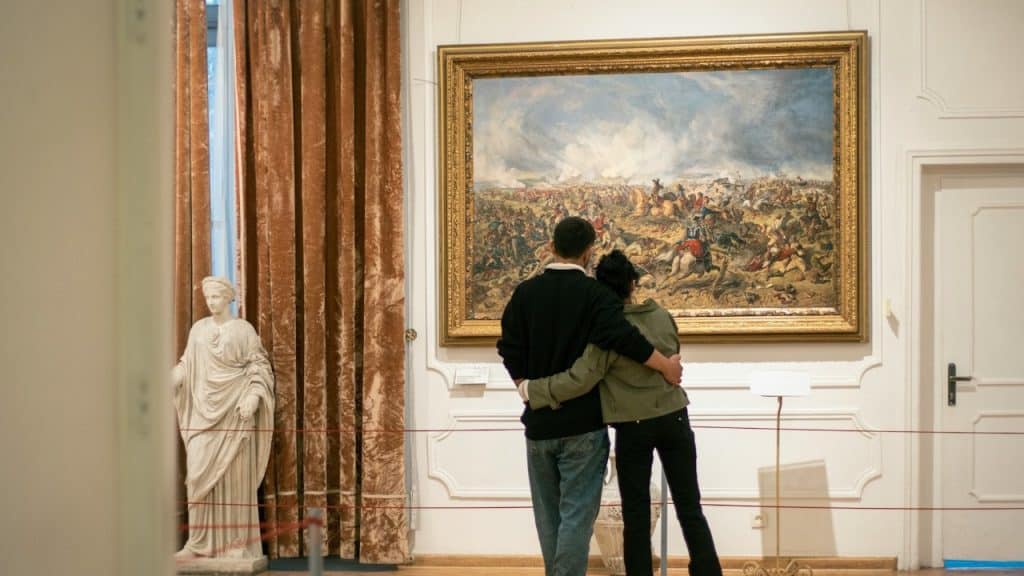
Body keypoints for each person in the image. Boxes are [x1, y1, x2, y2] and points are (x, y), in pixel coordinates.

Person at [498, 217, 682, 576]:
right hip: (583, 424)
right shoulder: (596, 295)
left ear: (551, 247)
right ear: (588, 253)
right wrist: (664, 366)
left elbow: (508, 348)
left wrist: (525, 387)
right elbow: (625, 338)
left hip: (537, 425)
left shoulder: (524, 293)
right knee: (576, 521)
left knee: (549, 522)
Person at [522, 250, 722, 576]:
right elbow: (672, 359)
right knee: (690, 508)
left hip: (634, 426)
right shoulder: (662, 315)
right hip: (675, 416)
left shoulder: (607, 331)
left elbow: (581, 378)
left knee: (637, 513)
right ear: (633, 282)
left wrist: (533, 390)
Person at [172, 277, 275, 560]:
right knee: (196, 477)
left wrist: (253, 396)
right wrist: (176, 377)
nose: (211, 302)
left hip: (234, 415)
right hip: (203, 414)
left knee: (234, 482)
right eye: (208, 297)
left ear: (228, 298)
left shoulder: (243, 330)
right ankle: (197, 543)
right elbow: (187, 364)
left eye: (217, 296)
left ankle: (235, 544)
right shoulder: (198, 330)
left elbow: (259, 367)